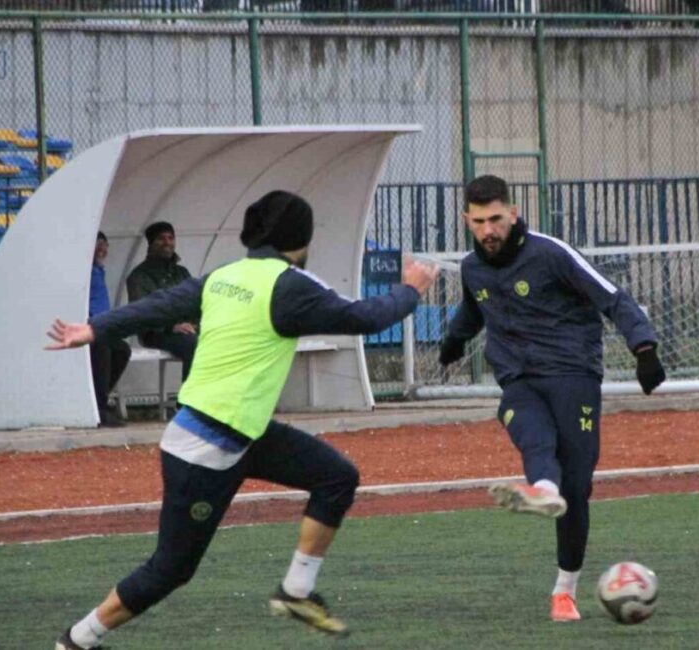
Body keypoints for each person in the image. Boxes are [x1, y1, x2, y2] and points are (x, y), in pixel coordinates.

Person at [47, 191, 439, 649]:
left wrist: (95, 328)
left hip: (243, 434)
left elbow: (158, 307)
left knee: (337, 477)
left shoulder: (224, 277)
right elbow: (366, 317)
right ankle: (77, 640)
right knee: (171, 570)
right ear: (301, 237)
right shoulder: (290, 285)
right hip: (204, 449)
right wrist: (409, 289)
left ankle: (295, 592)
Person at [438, 175, 666, 623]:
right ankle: (541, 488)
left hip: (572, 375)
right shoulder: (472, 267)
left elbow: (613, 298)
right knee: (527, 427)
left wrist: (645, 349)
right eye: (479, 221)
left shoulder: (550, 253)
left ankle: (565, 589)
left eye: (497, 219)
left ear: (514, 213)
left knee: (577, 489)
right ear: (467, 220)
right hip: (518, 379)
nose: (489, 230)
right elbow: (473, 307)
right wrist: (453, 340)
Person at [126, 221, 197, 381]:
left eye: (171, 238)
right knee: (194, 345)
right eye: (161, 238)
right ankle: (188, 403)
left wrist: (195, 323)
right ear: (151, 243)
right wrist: (172, 327)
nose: (167, 243)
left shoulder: (181, 272)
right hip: (156, 333)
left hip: (186, 329)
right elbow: (142, 314)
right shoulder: (139, 276)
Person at [89, 231, 131, 428]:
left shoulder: (98, 270)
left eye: (104, 244)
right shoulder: (83, 271)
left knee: (122, 350)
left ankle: (100, 397)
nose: (102, 249)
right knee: (102, 348)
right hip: (86, 329)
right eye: (97, 244)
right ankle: (98, 407)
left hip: (100, 328)